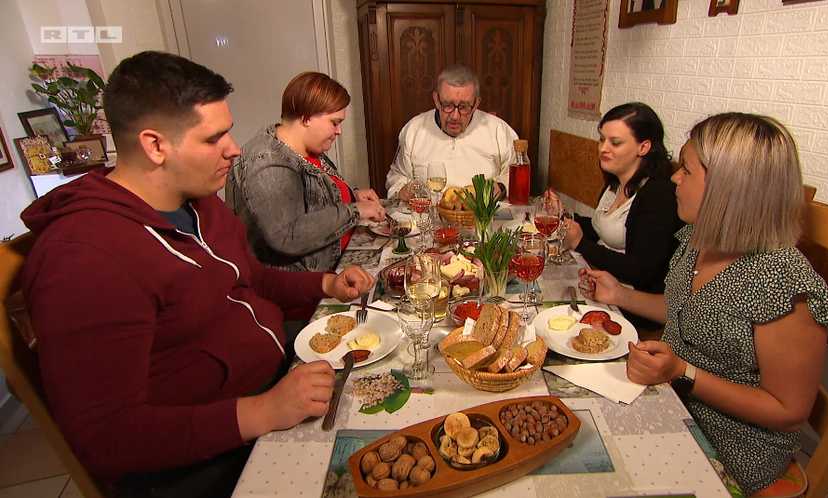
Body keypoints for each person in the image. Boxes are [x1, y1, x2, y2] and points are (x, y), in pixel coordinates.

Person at [19, 51, 376, 498]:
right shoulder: (83, 259)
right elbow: (104, 437)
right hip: (200, 457)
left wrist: (324, 284)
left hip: (270, 374)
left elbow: (252, 280)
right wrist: (264, 412)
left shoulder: (196, 201)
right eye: (214, 138)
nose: (235, 148)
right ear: (155, 145)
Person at [578, 112, 828, 495]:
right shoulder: (698, 240)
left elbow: (789, 413)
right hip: (671, 400)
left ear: (729, 188)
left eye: (686, 170)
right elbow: (685, 310)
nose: (674, 178)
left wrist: (684, 372)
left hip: (731, 443)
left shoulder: (782, 279)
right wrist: (619, 295)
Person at [228, 71, 385, 273]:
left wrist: (352, 193)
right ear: (307, 117)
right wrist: (355, 210)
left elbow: (312, 197)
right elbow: (288, 236)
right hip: (303, 287)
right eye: (335, 123)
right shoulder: (266, 162)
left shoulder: (306, 148)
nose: (339, 131)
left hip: (339, 263)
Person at [561, 102, 682, 295]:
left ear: (643, 147)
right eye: (602, 139)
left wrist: (581, 244)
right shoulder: (616, 181)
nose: (602, 148)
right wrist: (564, 217)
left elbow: (642, 270)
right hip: (598, 278)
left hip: (631, 296)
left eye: (615, 142)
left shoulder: (659, 194)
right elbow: (604, 229)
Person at [385, 65, 518, 200]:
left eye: (464, 107)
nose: (454, 116)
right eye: (447, 105)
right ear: (436, 100)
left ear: (476, 104)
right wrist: (403, 190)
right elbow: (397, 176)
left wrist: (500, 187)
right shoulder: (414, 129)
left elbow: (516, 176)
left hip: (482, 216)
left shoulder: (498, 129)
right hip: (429, 215)